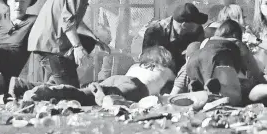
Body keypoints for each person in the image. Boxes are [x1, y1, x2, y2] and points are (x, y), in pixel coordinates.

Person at [19, 46, 175, 105]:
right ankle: (103, 95)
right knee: (110, 95)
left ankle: (30, 87)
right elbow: (178, 85)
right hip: (137, 86)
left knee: (83, 92)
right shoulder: (166, 71)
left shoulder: (137, 65)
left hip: (120, 77)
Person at [0, 0, 38, 95]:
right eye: (15, 0)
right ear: (8, 2)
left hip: (3, 72)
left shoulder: (34, 22)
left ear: (29, 2)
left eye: (23, 0)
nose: (18, 5)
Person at [186, 20, 248, 106]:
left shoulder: (208, 40)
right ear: (235, 35)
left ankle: (199, 88)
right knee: (234, 98)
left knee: (201, 99)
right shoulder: (236, 42)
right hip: (219, 58)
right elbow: (252, 69)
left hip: (194, 59)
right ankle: (215, 90)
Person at [130, 3, 206, 71]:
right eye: (197, 23)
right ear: (184, 25)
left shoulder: (197, 31)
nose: (199, 25)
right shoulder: (155, 31)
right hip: (161, 75)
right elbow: (148, 62)